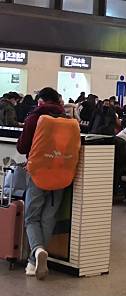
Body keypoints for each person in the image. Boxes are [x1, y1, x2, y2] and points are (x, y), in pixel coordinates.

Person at [16, 87, 68, 280]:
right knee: (49, 217)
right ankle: (32, 263)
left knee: (31, 217)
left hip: (38, 173)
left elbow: (22, 147)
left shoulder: (34, 118)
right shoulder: (69, 120)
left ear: (41, 101)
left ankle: (37, 251)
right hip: (62, 174)